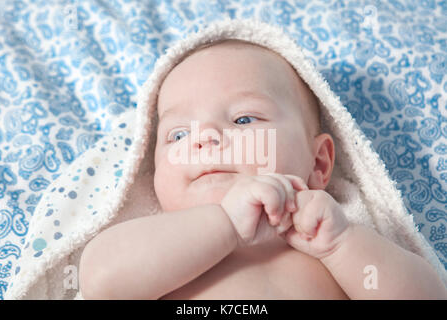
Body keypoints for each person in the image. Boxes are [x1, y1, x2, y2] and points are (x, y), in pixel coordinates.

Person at [78, 38, 446, 300]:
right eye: (177, 134)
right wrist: (225, 223)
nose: (203, 137)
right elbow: (101, 282)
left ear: (318, 163)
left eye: (242, 119)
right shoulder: (154, 243)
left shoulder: (334, 241)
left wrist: (342, 244)